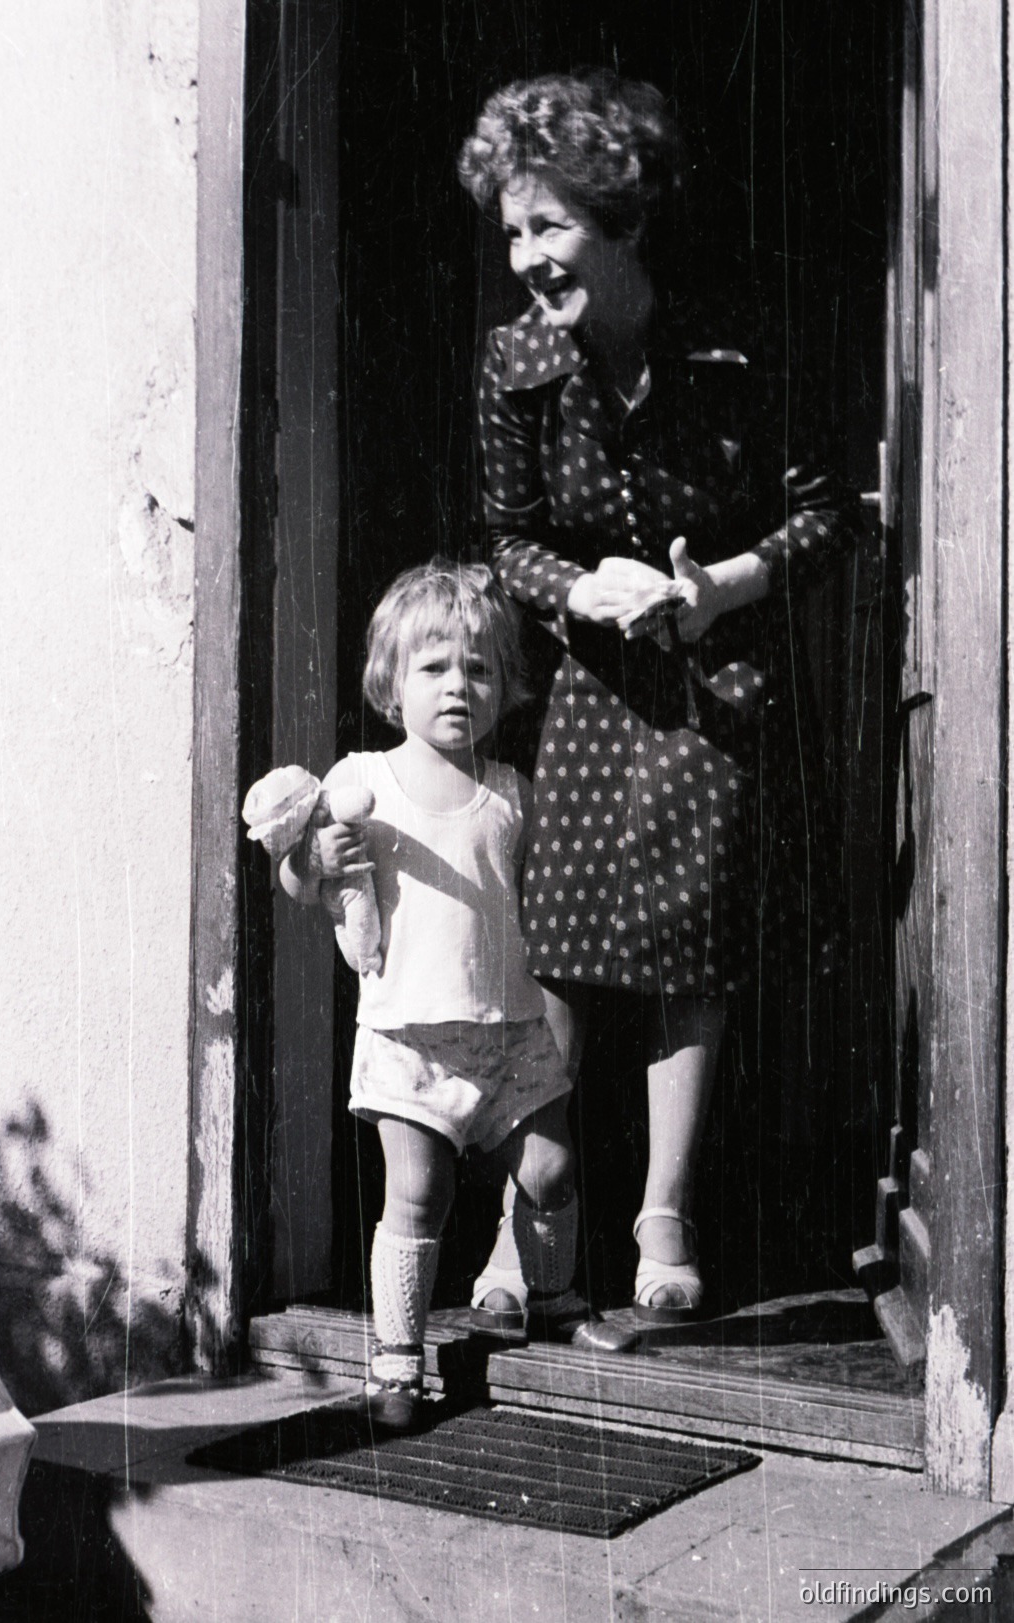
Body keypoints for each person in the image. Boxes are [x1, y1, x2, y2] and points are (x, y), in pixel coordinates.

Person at [457, 71, 858, 1330]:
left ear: (619, 216)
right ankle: (545, 1212)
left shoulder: (732, 340)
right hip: (591, 677)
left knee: (697, 943)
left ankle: (665, 1213)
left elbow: (827, 511)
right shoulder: (516, 361)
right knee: (562, 941)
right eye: (513, 231)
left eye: (550, 226)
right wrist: (581, 594)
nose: (527, 258)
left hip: (716, 676)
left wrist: (720, 588)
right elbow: (508, 538)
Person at [279, 559, 637, 1430]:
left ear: (504, 687)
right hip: (410, 1034)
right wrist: (312, 863)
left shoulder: (512, 792)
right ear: (390, 685)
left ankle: (548, 1295)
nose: (456, 687)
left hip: (510, 1030)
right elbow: (302, 879)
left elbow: (545, 903)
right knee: (418, 1192)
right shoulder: (361, 780)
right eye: (433, 667)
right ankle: (396, 1359)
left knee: (549, 1173)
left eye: (477, 668)